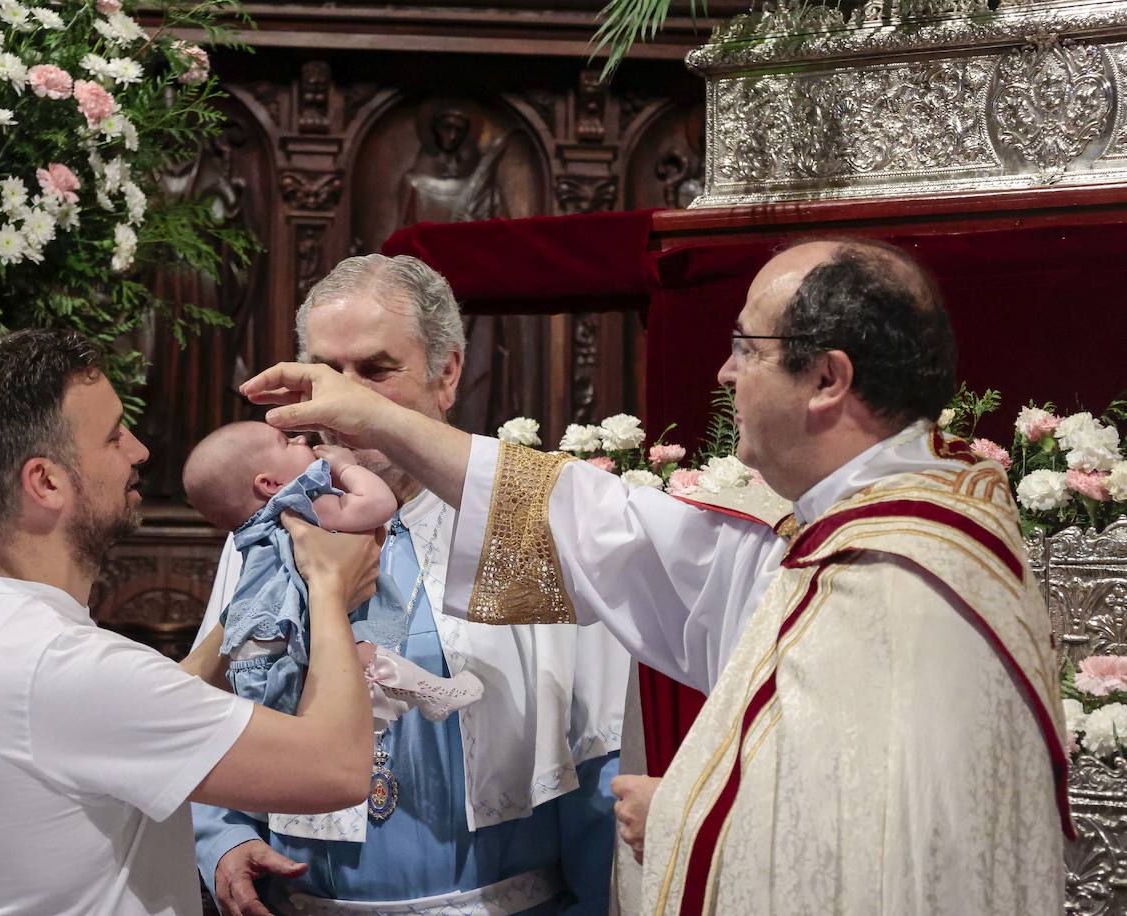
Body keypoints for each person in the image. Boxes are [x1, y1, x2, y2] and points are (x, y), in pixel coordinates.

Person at [237, 239, 1071, 915]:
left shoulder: (895, 576)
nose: (725, 373)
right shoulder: (879, 525)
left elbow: (888, 852)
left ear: (827, 379)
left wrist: (674, 817)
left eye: (749, 348)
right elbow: (621, 538)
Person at [191, 254, 631, 916]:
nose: (341, 398)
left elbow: (599, 744)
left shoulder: (527, 524)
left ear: (447, 371)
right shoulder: (266, 528)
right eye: (325, 369)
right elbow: (220, 707)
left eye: (373, 370)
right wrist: (223, 839)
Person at [0, 329, 382, 916]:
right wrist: (327, 588)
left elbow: (137, 707)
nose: (138, 451)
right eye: (112, 437)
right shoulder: (70, 668)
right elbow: (337, 769)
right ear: (46, 481)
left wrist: (250, 611)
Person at [181, 422, 484, 723]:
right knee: (360, 655)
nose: (301, 439)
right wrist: (348, 468)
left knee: (348, 667)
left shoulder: (255, 529)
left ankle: (412, 695)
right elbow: (378, 504)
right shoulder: (298, 504)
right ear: (269, 484)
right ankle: (427, 691)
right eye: (286, 442)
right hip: (288, 636)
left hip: (257, 651)